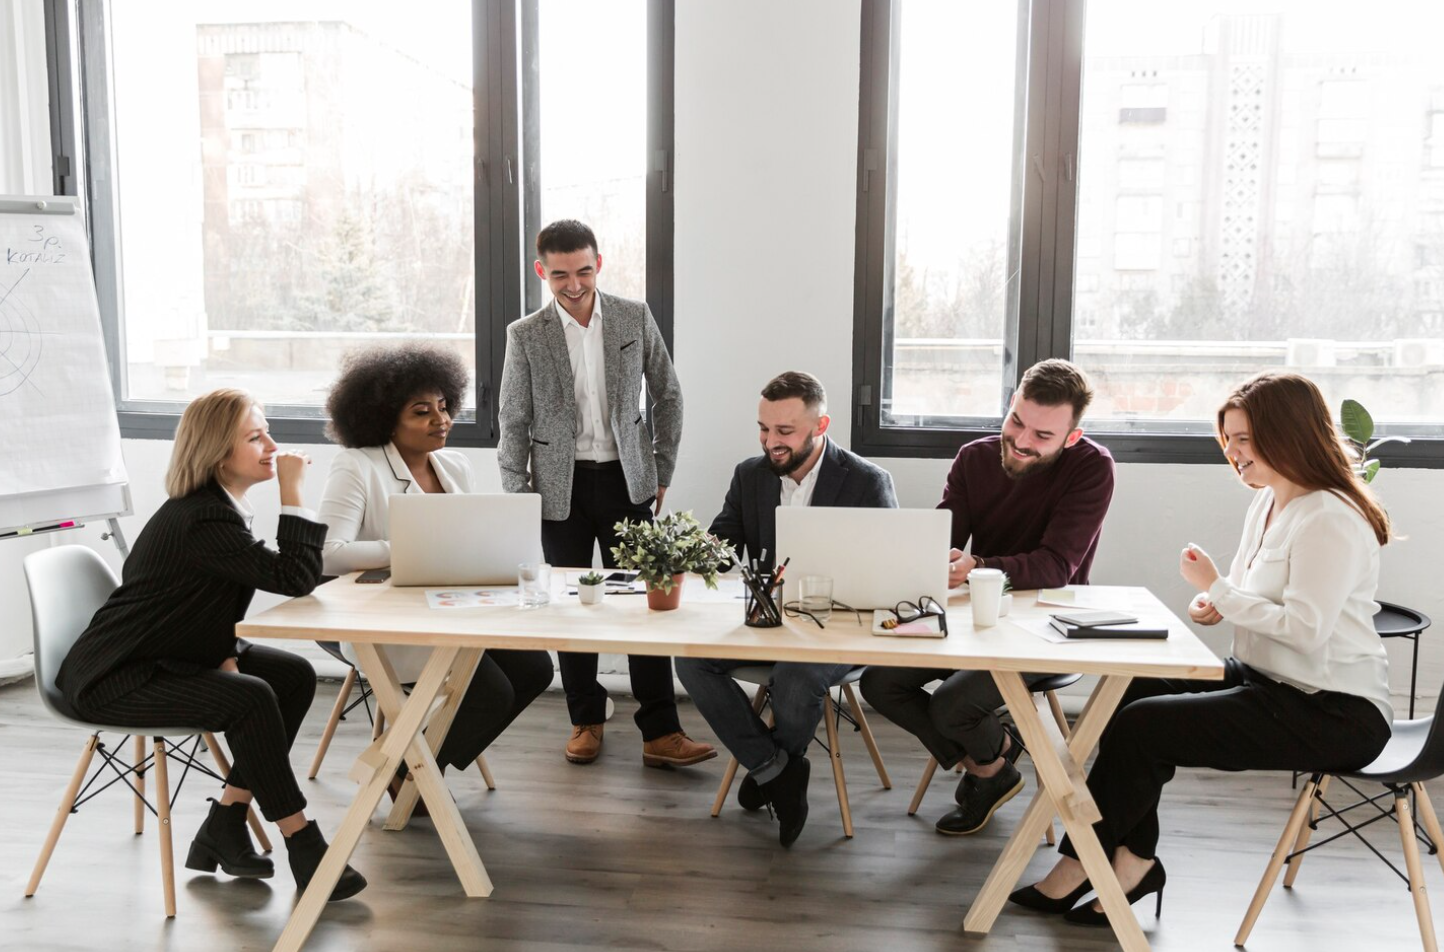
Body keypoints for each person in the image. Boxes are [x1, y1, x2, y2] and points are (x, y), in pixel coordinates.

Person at [1011, 371, 1393, 925]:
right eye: (1229, 440)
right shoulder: (1267, 504)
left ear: (1288, 434)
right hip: (1267, 679)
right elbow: (1241, 597)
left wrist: (1217, 589)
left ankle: (1090, 865)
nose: (1234, 454)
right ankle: (1129, 861)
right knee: (1131, 690)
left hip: (1331, 708)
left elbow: (1306, 630)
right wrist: (1214, 602)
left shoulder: (1331, 516)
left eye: (1245, 439)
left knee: (1146, 730)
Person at [55, 389, 366, 901]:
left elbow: (194, 605)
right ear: (220, 453)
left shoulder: (216, 510)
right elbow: (295, 577)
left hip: (163, 658)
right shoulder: (203, 519)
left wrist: (222, 650)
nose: (271, 443)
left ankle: (224, 824)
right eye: (254, 436)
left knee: (293, 677)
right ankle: (303, 843)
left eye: (267, 430)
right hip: (115, 678)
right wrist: (294, 494)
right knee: (252, 697)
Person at [860, 359, 1115, 836]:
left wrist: (977, 566)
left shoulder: (1092, 467)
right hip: (974, 619)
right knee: (879, 682)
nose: (1021, 441)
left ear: (1071, 437)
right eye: (1017, 421)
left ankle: (985, 760)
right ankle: (992, 763)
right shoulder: (974, 458)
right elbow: (942, 538)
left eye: (1042, 436)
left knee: (952, 706)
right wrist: (912, 559)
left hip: (1047, 627)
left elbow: (1056, 567)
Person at [497, 218, 714, 769]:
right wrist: (518, 494)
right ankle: (585, 719)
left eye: (585, 271)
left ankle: (660, 731)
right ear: (543, 271)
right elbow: (513, 418)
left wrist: (661, 467)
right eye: (561, 275)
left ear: (600, 264)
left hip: (627, 479)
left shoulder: (632, 316)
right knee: (571, 608)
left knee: (646, 604)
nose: (575, 284)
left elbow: (668, 394)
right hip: (557, 487)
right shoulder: (525, 334)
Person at [318, 344, 554, 800]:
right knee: (489, 691)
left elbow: (464, 538)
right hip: (384, 619)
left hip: (453, 612)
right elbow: (327, 554)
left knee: (535, 669)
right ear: (386, 417)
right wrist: (407, 546)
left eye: (443, 407)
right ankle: (416, 776)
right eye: (421, 412)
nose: (441, 420)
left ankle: (410, 767)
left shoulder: (454, 465)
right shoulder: (356, 467)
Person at [676, 372, 898, 846]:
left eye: (784, 432)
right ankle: (777, 770)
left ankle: (769, 768)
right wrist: (694, 550)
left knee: (797, 676)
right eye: (763, 428)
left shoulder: (867, 482)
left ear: (821, 426)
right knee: (690, 658)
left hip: (841, 628)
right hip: (767, 620)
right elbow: (725, 538)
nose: (770, 442)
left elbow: (887, 576)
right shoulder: (750, 474)